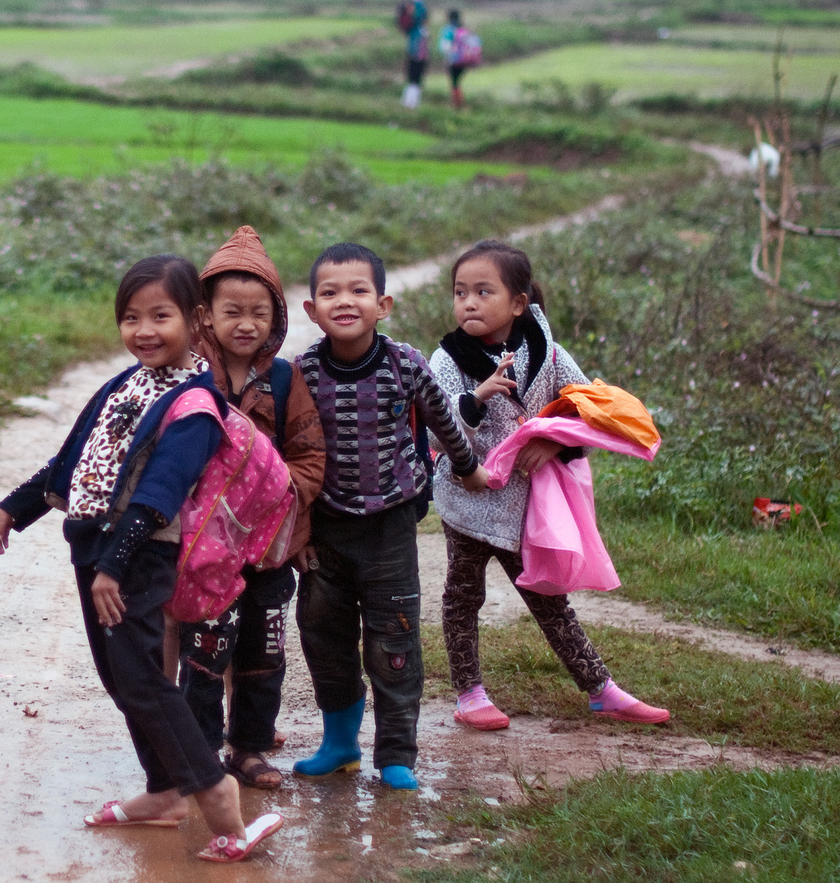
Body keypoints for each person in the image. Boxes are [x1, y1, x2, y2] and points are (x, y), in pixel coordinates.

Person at [0, 255, 283, 863]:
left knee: (144, 680)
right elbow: (72, 461)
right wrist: (16, 506)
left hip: (139, 555)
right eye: (131, 318)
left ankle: (217, 796)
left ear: (195, 321)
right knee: (123, 678)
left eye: (160, 316)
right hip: (94, 547)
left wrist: (115, 567)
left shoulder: (195, 404)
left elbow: (158, 496)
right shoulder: (126, 384)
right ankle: (165, 791)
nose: (144, 330)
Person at [430, 240, 670, 731]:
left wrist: (555, 445)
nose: (468, 302)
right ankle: (469, 691)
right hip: (469, 501)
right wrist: (474, 400)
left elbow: (590, 406)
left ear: (519, 303)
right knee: (461, 596)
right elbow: (435, 424)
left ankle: (601, 689)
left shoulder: (550, 353)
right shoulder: (448, 358)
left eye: (482, 291)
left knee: (549, 599)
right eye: (460, 292)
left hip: (526, 507)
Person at [292, 243, 491, 791]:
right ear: (312, 311)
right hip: (326, 532)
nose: (344, 301)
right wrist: (296, 534)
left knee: (394, 640)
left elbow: (444, 420)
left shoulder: (405, 363)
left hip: (391, 528)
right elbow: (293, 457)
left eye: (358, 291)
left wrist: (468, 468)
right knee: (323, 636)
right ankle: (339, 745)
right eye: (329, 293)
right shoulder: (302, 372)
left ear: (384, 304)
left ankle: (396, 754)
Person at [178, 226, 325, 791]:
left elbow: (311, 454)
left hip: (269, 549)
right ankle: (199, 751)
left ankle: (250, 750)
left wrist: (277, 495)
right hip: (207, 551)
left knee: (266, 651)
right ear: (205, 317)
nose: (246, 323)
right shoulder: (191, 377)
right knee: (204, 653)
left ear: (277, 318)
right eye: (232, 311)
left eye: (259, 313)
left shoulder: (287, 381)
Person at [438, 9, 477, 109]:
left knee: (454, 83)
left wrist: (447, 56)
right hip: (465, 61)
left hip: (453, 60)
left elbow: (444, 47)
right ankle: (459, 104)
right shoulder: (463, 29)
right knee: (457, 83)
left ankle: (456, 105)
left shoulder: (448, 30)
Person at [396, 0, 429, 109]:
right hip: (416, 56)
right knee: (414, 80)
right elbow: (422, 12)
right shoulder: (414, 24)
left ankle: (409, 102)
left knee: (414, 80)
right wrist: (417, 1)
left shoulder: (416, 25)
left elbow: (423, 13)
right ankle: (410, 103)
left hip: (417, 55)